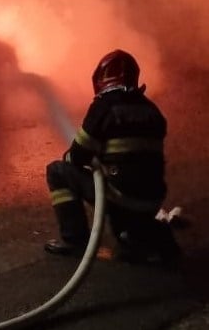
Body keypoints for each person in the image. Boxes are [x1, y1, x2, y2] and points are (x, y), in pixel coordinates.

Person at [44, 49, 180, 263]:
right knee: (127, 233)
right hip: (152, 200)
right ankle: (154, 237)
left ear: (101, 79)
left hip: (121, 197)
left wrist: (72, 158)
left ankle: (74, 239)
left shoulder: (104, 106)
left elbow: (78, 155)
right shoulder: (152, 110)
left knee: (58, 171)